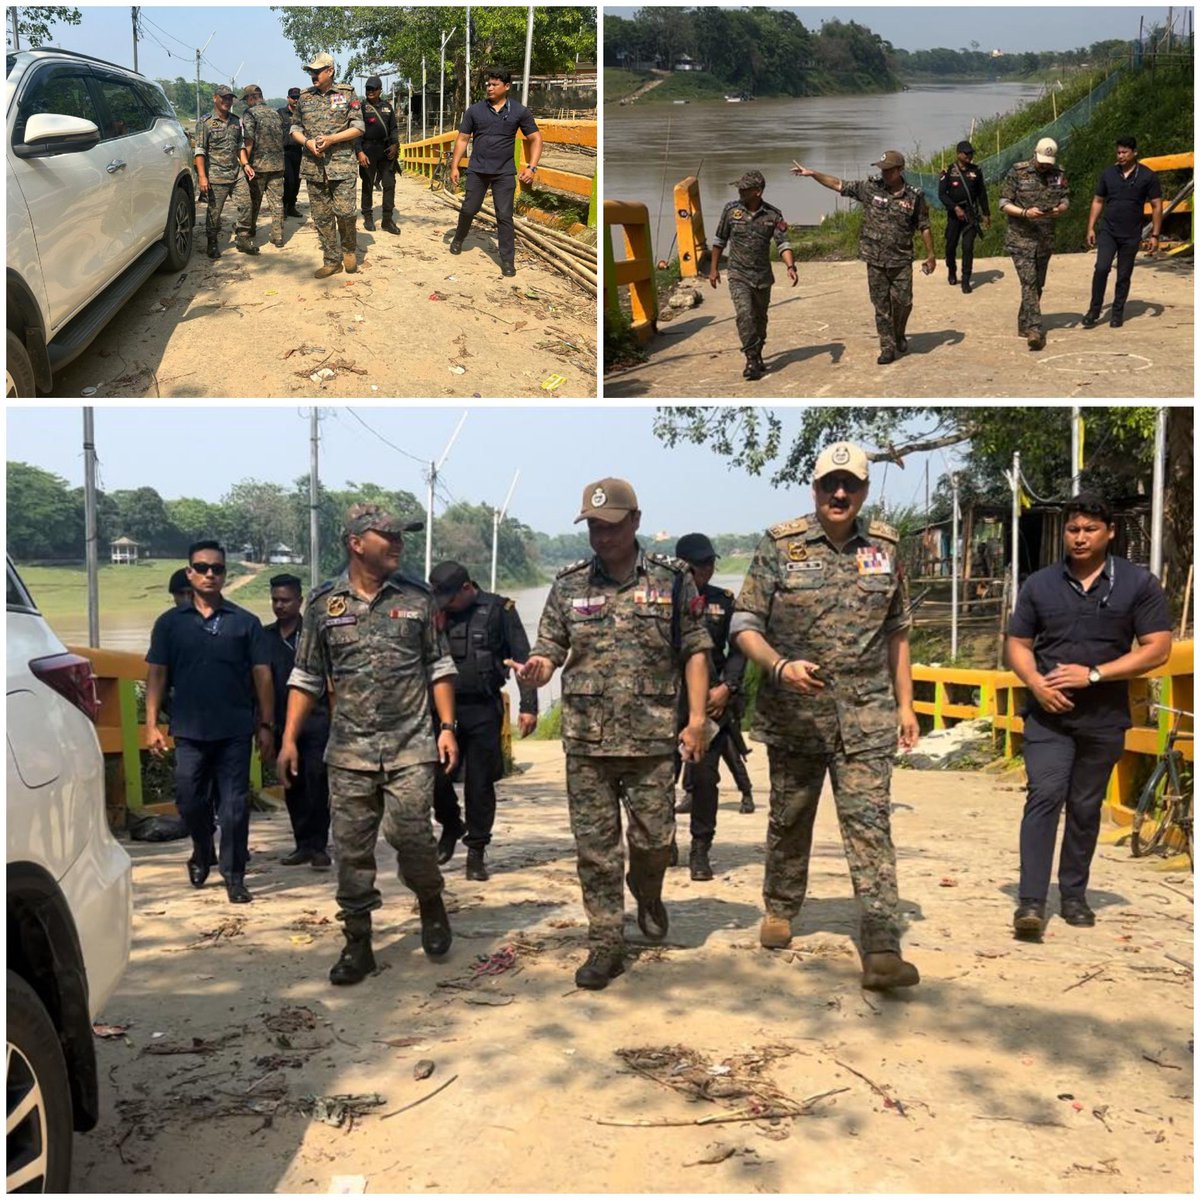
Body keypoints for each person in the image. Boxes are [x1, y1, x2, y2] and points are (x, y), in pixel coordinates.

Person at [729, 442, 921, 991]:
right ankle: (781, 906)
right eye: (830, 484)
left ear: (864, 490)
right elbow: (743, 625)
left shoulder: (884, 547)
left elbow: (898, 630)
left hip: (866, 716)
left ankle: (882, 945)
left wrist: (906, 705)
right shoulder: (780, 545)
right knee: (790, 817)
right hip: (796, 714)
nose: (840, 494)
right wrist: (778, 665)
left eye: (851, 485)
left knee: (870, 825)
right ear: (814, 488)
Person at [515, 479, 712, 991]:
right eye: (594, 527)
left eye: (611, 526)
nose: (601, 537)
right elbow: (549, 647)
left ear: (636, 522)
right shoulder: (568, 584)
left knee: (655, 842)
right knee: (596, 850)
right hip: (587, 741)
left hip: (651, 740)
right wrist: (537, 669)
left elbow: (695, 649)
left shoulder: (672, 581)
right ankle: (606, 942)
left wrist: (696, 721)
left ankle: (647, 893)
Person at [277, 504, 456, 986]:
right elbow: (307, 676)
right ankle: (358, 941)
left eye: (401, 536)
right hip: (350, 751)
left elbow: (437, 667)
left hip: (411, 743)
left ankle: (430, 900)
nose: (398, 543)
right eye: (388, 535)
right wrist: (289, 739)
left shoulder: (420, 600)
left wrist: (447, 727)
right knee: (352, 850)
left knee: (412, 836)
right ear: (356, 543)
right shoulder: (322, 605)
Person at [1005, 493, 1171, 939]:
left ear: (1110, 532)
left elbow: (1158, 648)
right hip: (1048, 715)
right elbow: (1017, 645)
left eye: (1090, 530)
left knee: (1084, 806)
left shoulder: (1138, 584)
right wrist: (1037, 684)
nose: (1080, 538)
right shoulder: (1039, 584)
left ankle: (1074, 894)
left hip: (1103, 717)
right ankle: (1031, 902)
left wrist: (1095, 675)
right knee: (1045, 794)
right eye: (1073, 530)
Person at [145, 541, 274, 904]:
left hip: (234, 728)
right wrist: (151, 723)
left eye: (216, 568)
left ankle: (234, 876)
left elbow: (262, 676)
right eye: (201, 568)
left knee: (234, 806)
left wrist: (267, 726)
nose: (209, 574)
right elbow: (156, 674)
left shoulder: (245, 623)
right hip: (188, 729)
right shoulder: (170, 624)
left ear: (224, 573)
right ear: (190, 573)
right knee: (188, 799)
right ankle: (203, 850)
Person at [427, 561, 538, 880]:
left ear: (466, 588)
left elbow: (522, 659)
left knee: (479, 783)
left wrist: (528, 705)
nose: (446, 604)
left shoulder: (499, 609)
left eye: (451, 598)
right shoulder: (435, 612)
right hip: (439, 711)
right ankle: (450, 824)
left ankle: (476, 850)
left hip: (482, 709)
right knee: (434, 777)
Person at [792, 151, 936, 365]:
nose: (884, 174)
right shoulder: (870, 188)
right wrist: (813, 174)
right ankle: (887, 346)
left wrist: (931, 254)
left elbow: (923, 226)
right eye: (882, 169)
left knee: (903, 303)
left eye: (888, 170)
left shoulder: (914, 196)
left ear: (900, 170)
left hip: (901, 259)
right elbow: (838, 184)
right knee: (881, 306)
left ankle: (899, 334)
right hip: (875, 259)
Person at [671, 533, 747, 881]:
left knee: (704, 779)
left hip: (711, 702)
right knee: (657, 779)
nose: (708, 569)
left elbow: (739, 647)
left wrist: (728, 688)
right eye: (700, 564)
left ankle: (700, 849)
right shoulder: (662, 598)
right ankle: (663, 840)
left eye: (711, 562)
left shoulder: (723, 601)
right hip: (668, 703)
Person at [263, 574, 331, 870]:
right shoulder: (264, 638)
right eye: (275, 600)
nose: (280, 606)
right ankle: (302, 843)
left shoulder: (315, 635)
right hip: (281, 722)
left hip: (317, 721)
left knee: (318, 783)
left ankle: (319, 845)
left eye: (286, 600)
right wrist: (262, 725)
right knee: (292, 784)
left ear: (299, 601)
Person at [449, 67, 542, 277]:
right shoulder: (474, 111)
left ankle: (507, 260)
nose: (489, 88)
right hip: (477, 171)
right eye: (488, 84)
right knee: (468, 209)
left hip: (504, 173)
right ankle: (459, 238)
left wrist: (532, 166)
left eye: (494, 85)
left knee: (504, 216)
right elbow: (463, 138)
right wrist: (455, 165)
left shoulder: (519, 111)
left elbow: (536, 139)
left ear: (507, 87)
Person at [708, 170, 798, 381]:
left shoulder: (773, 215)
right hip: (738, 274)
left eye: (745, 189)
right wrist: (713, 269)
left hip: (762, 276)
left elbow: (783, 243)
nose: (740, 191)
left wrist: (791, 266)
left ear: (757, 191)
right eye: (739, 188)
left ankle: (757, 355)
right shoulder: (731, 211)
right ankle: (750, 360)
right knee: (744, 315)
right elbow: (719, 240)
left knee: (759, 320)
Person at [289, 52, 365, 279]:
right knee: (321, 217)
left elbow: (359, 127)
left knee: (345, 212)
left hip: (341, 166)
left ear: (330, 71)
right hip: (314, 167)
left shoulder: (346, 93)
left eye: (317, 71)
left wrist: (332, 139)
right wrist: (307, 142)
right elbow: (294, 129)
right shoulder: (304, 97)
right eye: (310, 71)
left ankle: (349, 248)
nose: (313, 75)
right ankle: (331, 260)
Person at [1082, 136, 1163, 329]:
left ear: (1135, 153)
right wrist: (1091, 227)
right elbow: (1098, 200)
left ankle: (1117, 313)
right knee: (1101, 268)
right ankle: (1094, 310)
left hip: (1131, 234)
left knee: (1124, 274)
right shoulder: (1109, 174)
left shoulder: (1147, 176)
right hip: (1108, 231)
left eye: (1125, 152)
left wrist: (1155, 235)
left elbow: (1156, 206)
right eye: (1118, 152)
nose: (1120, 156)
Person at [998, 137, 1070, 351]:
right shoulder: (1018, 172)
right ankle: (1035, 330)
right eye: (1041, 161)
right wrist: (1024, 213)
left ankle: (1023, 321)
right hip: (1020, 239)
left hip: (1045, 239)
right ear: (1034, 154)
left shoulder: (1059, 174)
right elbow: (1003, 203)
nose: (1044, 165)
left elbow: (1066, 197)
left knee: (1037, 284)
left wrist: (1061, 208)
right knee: (1028, 282)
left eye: (1048, 162)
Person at [194, 84, 254, 259]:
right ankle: (212, 242)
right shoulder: (205, 123)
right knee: (214, 213)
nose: (227, 101)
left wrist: (246, 164)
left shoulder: (236, 121)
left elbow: (239, 146)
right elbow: (199, 150)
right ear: (215, 98)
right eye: (223, 98)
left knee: (246, 205)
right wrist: (202, 177)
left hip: (236, 174)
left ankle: (243, 238)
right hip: (216, 176)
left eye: (229, 98)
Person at [938, 140, 991, 292]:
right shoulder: (947, 172)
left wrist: (986, 213)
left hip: (970, 214)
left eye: (971, 153)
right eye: (966, 153)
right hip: (954, 214)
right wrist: (955, 208)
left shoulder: (976, 171)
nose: (969, 156)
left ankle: (966, 279)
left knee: (968, 247)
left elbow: (982, 193)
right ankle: (951, 270)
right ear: (958, 154)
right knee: (951, 246)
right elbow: (942, 195)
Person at [239, 84, 287, 249]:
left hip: (258, 166)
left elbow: (249, 140)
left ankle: (250, 230)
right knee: (277, 202)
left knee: (254, 200)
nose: (246, 103)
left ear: (252, 98)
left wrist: (244, 162)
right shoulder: (275, 113)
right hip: (278, 165)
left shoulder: (250, 113)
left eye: (246, 99)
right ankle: (278, 235)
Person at [356, 76, 400, 234]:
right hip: (367, 149)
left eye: (373, 89)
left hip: (385, 150)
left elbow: (393, 128)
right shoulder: (361, 108)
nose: (370, 92)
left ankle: (387, 220)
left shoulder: (387, 107)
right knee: (367, 183)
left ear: (380, 90)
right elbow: (356, 132)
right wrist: (359, 152)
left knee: (389, 184)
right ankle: (368, 216)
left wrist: (395, 144)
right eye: (368, 89)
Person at [278, 87, 303, 218]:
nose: (296, 100)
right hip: (284, 152)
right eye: (293, 98)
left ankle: (292, 206)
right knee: (289, 180)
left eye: (298, 98)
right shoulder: (280, 114)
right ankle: (284, 206)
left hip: (298, 151)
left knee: (298, 181)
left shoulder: (302, 114)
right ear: (288, 98)